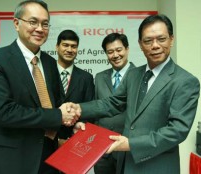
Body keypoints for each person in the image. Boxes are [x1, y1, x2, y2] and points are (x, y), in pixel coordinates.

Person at [70, 14, 200, 174]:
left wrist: (130, 144)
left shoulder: (185, 81)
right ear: (140, 44)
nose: (155, 46)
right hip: (126, 164)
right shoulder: (133, 75)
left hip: (157, 166)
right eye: (148, 41)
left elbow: (177, 130)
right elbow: (113, 103)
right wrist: (78, 109)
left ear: (171, 39)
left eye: (161, 39)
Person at [0, 1, 78, 174]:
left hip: (49, 158)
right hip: (12, 160)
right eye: (33, 22)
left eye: (45, 24)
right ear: (17, 23)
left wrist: (71, 123)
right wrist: (59, 116)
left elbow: (57, 104)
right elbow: (5, 112)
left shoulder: (49, 62)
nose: (40, 28)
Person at [93, 33, 135, 174]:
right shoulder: (99, 78)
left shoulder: (140, 76)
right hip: (102, 150)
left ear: (127, 49)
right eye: (110, 52)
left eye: (119, 50)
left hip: (128, 148)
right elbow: (96, 109)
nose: (115, 55)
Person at [55, 29, 95, 146]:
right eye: (65, 45)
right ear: (57, 47)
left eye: (73, 46)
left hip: (75, 141)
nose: (69, 50)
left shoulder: (86, 78)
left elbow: (90, 109)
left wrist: (76, 136)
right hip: (47, 141)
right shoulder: (46, 73)